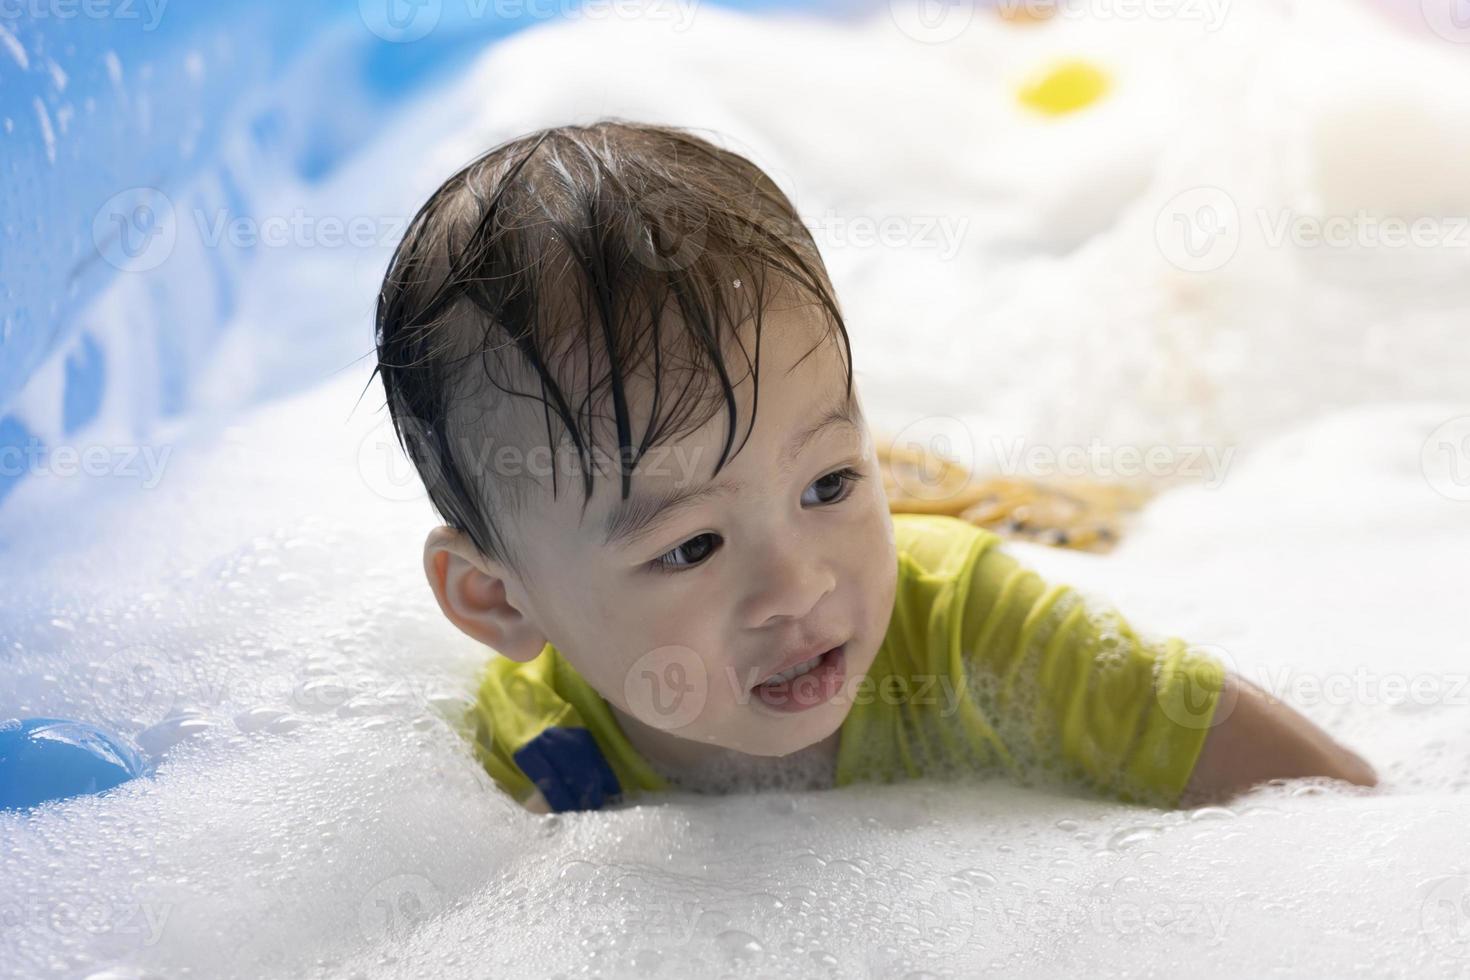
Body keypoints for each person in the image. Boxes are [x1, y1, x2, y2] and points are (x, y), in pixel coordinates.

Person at [371, 120, 1376, 814]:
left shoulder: (980, 635)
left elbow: (1324, 805)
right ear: (498, 603)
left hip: (1007, 529)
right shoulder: (540, 750)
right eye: (692, 547)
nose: (798, 587)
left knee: (1093, 507)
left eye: (831, 484)